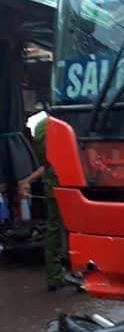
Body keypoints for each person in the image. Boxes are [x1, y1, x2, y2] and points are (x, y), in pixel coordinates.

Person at [32, 116, 66, 290]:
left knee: (54, 229)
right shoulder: (70, 121)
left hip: (52, 183)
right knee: (77, 227)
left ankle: (54, 274)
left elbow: (44, 161)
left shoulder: (40, 126)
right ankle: (77, 269)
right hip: (72, 181)